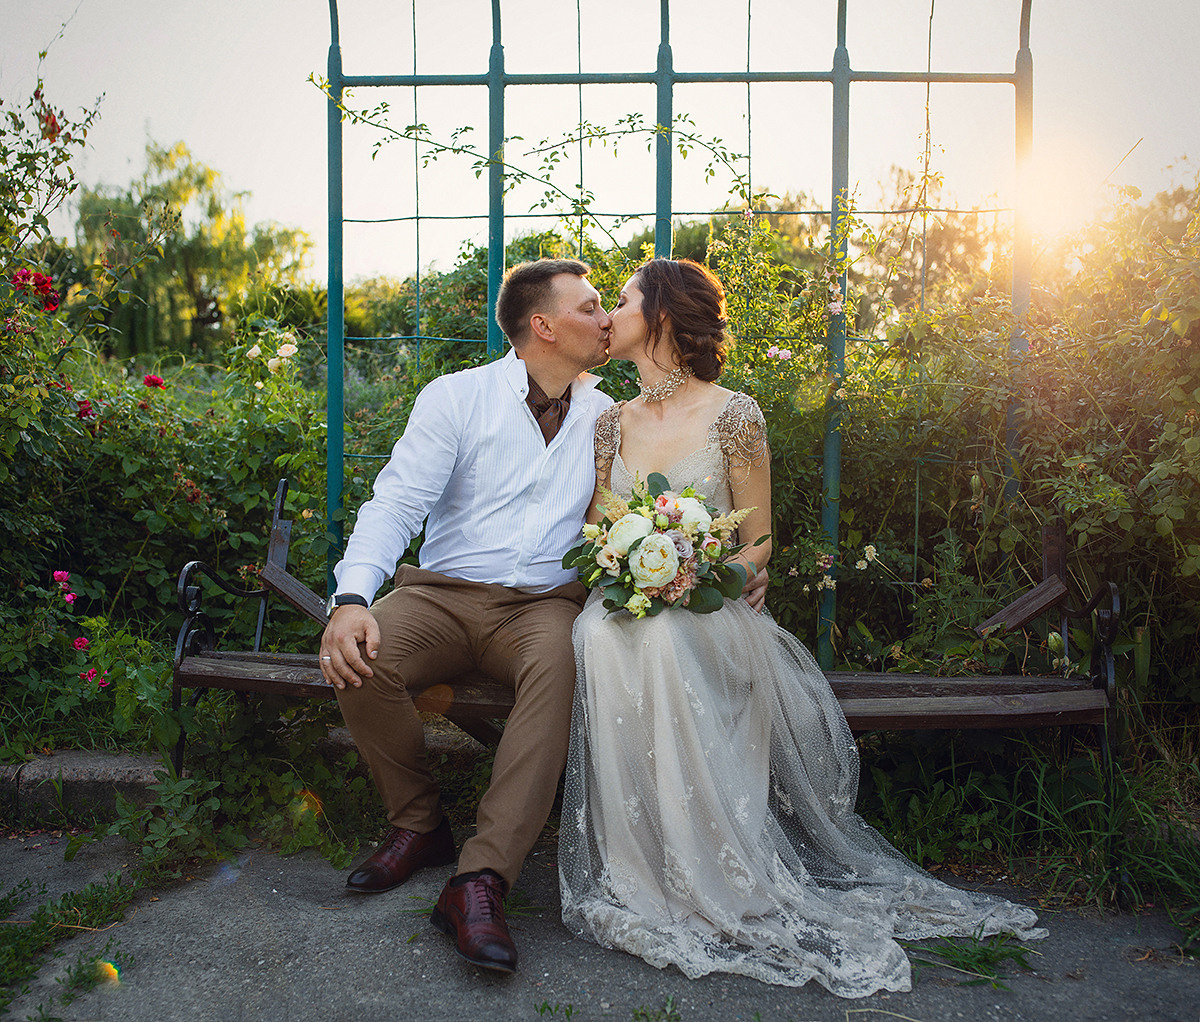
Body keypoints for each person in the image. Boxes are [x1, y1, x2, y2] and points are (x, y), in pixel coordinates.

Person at [558, 258, 1045, 998]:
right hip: (629, 598)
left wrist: (699, 569)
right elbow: (598, 524)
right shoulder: (606, 424)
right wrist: (630, 567)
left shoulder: (735, 414)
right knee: (598, 633)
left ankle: (713, 865)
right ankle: (642, 867)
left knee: (658, 637)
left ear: (660, 317)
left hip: (705, 607)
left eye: (620, 303)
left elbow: (758, 538)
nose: (607, 316)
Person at [318, 258, 615, 975]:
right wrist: (352, 599)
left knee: (561, 664)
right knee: (365, 656)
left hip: (543, 605)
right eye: (591, 307)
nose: (608, 319)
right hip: (441, 594)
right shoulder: (455, 398)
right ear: (541, 326)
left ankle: (480, 880)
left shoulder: (610, 416)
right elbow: (396, 502)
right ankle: (418, 825)